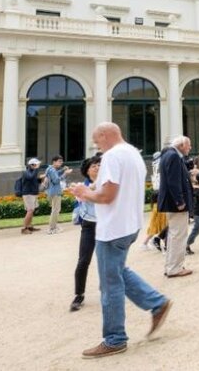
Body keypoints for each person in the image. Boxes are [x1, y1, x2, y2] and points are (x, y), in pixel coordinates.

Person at [68, 123, 171, 359]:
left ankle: (115, 339)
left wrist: (84, 193)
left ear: (105, 135)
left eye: (97, 141)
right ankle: (157, 303)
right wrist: (91, 188)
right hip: (129, 224)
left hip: (113, 228)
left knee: (110, 283)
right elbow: (115, 187)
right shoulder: (132, 152)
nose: (97, 146)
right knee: (118, 271)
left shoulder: (112, 156)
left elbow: (107, 196)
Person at [158, 136, 195, 278]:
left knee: (174, 235)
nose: (190, 148)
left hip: (171, 202)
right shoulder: (173, 156)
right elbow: (173, 182)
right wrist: (180, 201)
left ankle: (171, 266)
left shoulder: (168, 155)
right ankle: (175, 267)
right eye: (188, 145)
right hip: (176, 203)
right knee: (178, 235)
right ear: (180, 145)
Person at [70, 155, 100, 312]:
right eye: (93, 166)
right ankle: (79, 294)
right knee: (83, 260)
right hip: (89, 226)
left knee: (107, 260)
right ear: (87, 170)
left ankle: (108, 289)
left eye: (99, 165)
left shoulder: (107, 184)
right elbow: (84, 194)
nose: (97, 167)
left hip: (105, 226)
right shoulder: (82, 185)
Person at [142, 150, 167, 252]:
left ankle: (150, 241)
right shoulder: (160, 166)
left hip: (157, 196)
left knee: (158, 222)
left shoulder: (154, 166)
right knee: (161, 222)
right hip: (160, 197)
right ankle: (160, 242)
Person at [45, 155, 71, 234]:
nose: (61, 163)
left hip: (53, 191)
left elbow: (56, 174)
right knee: (55, 210)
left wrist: (63, 170)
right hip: (55, 191)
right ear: (54, 162)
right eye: (59, 161)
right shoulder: (52, 170)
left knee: (55, 210)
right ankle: (52, 228)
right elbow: (56, 180)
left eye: (61, 161)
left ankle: (53, 227)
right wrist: (65, 173)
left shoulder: (50, 169)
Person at [20, 158, 43, 234]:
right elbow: (30, 177)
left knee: (31, 211)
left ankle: (29, 226)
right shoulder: (26, 172)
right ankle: (24, 228)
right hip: (28, 194)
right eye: (36, 165)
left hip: (33, 193)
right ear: (31, 165)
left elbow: (34, 180)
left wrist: (40, 179)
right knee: (30, 210)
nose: (37, 166)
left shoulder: (33, 172)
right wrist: (36, 169)